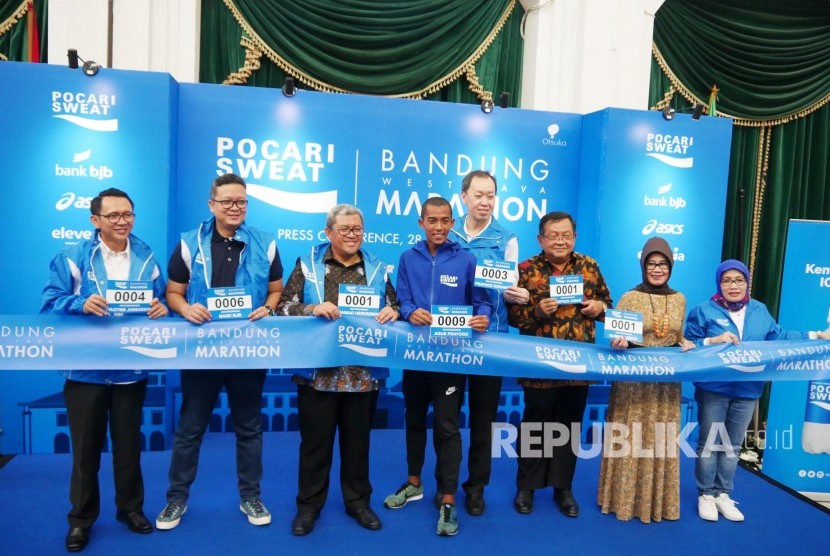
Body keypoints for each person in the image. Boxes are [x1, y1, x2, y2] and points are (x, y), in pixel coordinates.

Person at [41, 188, 168, 552]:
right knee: (85, 451)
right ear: (95, 220)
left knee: (129, 446)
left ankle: (130, 510)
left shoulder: (147, 256)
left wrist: (161, 309)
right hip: (86, 372)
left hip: (131, 370)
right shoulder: (72, 256)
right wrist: (81, 303)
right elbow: (49, 303)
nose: (122, 221)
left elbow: (159, 302)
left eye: (127, 214)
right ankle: (81, 520)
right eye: (113, 215)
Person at [156, 173, 283, 530]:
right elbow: (174, 293)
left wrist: (270, 308)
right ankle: (175, 500)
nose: (235, 207)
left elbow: (276, 290)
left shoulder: (266, 243)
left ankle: (251, 497)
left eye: (241, 201)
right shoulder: (188, 243)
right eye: (227, 201)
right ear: (212, 205)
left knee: (249, 429)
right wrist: (184, 309)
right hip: (203, 353)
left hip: (247, 352)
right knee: (190, 429)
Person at [277, 204, 400, 536]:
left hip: (362, 375)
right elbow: (283, 306)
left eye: (357, 229)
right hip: (318, 374)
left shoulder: (375, 268)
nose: (352, 235)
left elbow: (396, 305)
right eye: (345, 229)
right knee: (315, 446)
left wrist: (392, 311)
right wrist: (313, 307)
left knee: (357, 445)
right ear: (328, 232)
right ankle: (309, 507)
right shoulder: (309, 266)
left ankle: (358, 502)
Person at [684, 259, 830, 522]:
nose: (733, 286)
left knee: (732, 445)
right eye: (727, 280)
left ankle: (722, 494)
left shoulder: (759, 310)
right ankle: (706, 494)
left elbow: (781, 338)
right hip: (713, 388)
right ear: (719, 283)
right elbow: (688, 342)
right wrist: (712, 340)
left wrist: (818, 336)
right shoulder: (703, 311)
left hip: (748, 389)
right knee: (710, 442)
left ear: (747, 283)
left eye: (739, 280)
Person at [384, 196, 492, 537]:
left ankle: (447, 498)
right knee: (414, 420)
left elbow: (482, 301)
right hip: (415, 357)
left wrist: (483, 318)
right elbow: (403, 299)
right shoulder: (407, 258)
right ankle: (414, 482)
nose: (439, 227)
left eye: (445, 220)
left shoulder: (467, 259)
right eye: (433, 220)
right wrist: (409, 311)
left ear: (452, 222)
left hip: (450, 358)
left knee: (447, 427)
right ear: (421, 222)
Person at [507, 211, 612, 518]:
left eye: (566, 235)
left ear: (575, 237)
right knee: (535, 426)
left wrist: (599, 307)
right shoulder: (526, 269)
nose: (560, 241)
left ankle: (562, 488)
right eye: (553, 235)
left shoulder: (589, 267)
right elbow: (512, 316)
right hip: (539, 366)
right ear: (541, 239)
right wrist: (537, 310)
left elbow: (610, 304)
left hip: (578, 368)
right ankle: (526, 485)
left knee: (568, 427)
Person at [447, 170, 529, 516]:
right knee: (447, 420)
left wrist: (518, 293)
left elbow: (510, 284)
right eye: (479, 194)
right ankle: (446, 485)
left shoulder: (505, 238)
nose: (485, 201)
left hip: (489, 342)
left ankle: (476, 487)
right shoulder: (446, 233)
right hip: (448, 340)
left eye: (491, 195)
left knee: (483, 420)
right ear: (463, 196)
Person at [597, 237, 695, 523]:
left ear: (670, 267)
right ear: (643, 265)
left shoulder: (680, 299)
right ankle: (622, 501)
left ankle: (659, 503)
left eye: (662, 264)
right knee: (630, 437)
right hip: (633, 383)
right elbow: (620, 336)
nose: (656, 269)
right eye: (651, 263)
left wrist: (685, 342)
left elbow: (677, 335)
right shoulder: (630, 297)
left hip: (666, 385)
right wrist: (619, 342)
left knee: (661, 438)